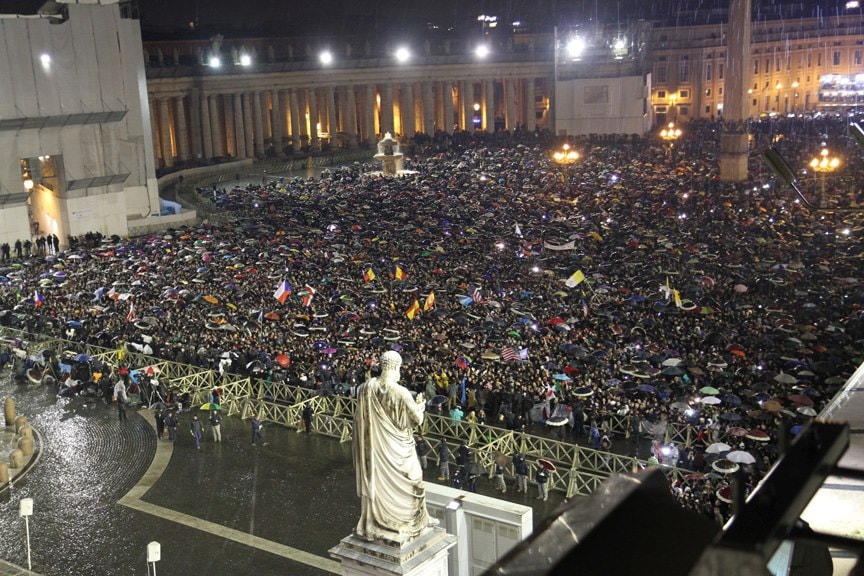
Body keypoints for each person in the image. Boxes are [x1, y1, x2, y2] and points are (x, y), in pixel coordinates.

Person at [353, 350, 435, 544]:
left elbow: (359, 420)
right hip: (399, 447)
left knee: (381, 482)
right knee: (414, 480)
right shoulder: (401, 392)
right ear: (397, 367)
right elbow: (417, 419)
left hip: (376, 448)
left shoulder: (366, 388)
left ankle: (385, 521)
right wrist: (421, 406)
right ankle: (409, 521)